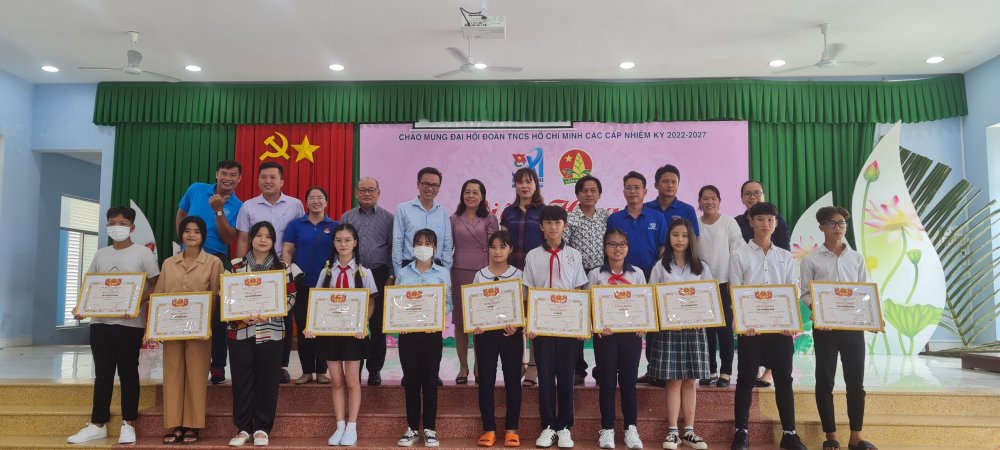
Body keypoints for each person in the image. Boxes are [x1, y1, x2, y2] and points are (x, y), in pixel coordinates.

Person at [67, 206, 160, 445]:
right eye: (112, 223)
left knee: (128, 372)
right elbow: (90, 285)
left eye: (121, 223)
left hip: (129, 324)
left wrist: (137, 301)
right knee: (103, 374)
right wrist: (81, 308)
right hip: (100, 323)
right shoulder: (101, 254)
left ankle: (129, 423)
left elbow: (156, 284)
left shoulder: (143, 253)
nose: (116, 227)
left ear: (132, 227)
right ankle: (98, 424)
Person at [729, 202, 806, 450]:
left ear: (776, 223)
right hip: (751, 330)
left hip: (780, 330)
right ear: (750, 221)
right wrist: (743, 321)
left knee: (784, 380)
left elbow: (791, 292)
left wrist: (790, 322)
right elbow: (735, 291)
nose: (765, 224)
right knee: (745, 380)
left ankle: (789, 433)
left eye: (770, 220)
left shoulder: (785, 257)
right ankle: (741, 432)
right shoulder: (739, 255)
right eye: (760, 219)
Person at [800, 206, 877, 450]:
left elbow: (864, 292)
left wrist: (872, 318)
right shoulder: (811, 259)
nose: (839, 227)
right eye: (833, 223)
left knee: (856, 383)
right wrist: (817, 310)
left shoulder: (857, 258)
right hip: (825, 329)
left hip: (853, 328)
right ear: (822, 227)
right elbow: (805, 293)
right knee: (825, 380)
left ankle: (856, 437)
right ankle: (831, 436)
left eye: (842, 223)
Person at [154, 216, 224, 444]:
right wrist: (156, 328)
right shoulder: (168, 263)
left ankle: (193, 425)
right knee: (172, 374)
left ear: (203, 236)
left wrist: (207, 325)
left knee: (196, 375)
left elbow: (217, 297)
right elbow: (160, 296)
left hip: (199, 331)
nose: (191, 235)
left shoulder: (213, 262)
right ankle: (174, 424)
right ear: (181, 235)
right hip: (171, 330)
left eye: (196, 231)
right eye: (187, 231)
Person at [523, 205, 588, 449]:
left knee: (566, 376)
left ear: (565, 226)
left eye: (558, 222)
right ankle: (548, 425)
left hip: (568, 327)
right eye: (548, 223)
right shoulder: (532, 256)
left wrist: (580, 324)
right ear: (541, 227)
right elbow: (529, 292)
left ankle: (565, 427)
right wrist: (530, 322)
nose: (553, 227)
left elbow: (579, 289)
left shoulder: (574, 255)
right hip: (541, 327)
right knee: (546, 375)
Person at [308, 223, 378, 447]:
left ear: (355, 242)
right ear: (334, 243)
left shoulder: (364, 272)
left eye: (347, 240)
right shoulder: (326, 271)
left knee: (352, 380)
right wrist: (312, 325)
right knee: (336, 380)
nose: (343, 244)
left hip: (354, 334)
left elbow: (371, 303)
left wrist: (362, 323)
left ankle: (352, 426)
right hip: (330, 333)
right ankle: (339, 425)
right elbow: (317, 301)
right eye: (338, 240)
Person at [236, 161, 305, 384]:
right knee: (253, 313)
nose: (268, 181)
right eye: (264, 177)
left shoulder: (295, 205)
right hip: (255, 267)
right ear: (258, 180)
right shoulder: (248, 206)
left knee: (284, 316)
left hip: (282, 268)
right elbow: (243, 238)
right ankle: (254, 359)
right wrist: (239, 270)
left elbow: (299, 235)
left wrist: (289, 269)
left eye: (273, 177)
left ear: (282, 181)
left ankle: (281, 365)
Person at [176, 159, 243, 385]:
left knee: (217, 316)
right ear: (217, 174)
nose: (228, 178)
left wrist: (219, 211)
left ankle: (217, 367)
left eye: (233, 175)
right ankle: (190, 362)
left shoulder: (238, 205)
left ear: (239, 179)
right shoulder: (196, 189)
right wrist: (184, 244)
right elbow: (181, 214)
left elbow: (228, 238)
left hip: (215, 260)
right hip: (188, 257)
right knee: (188, 309)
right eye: (224, 173)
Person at [226, 221, 291, 447]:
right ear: (251, 238)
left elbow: (291, 297)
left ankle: (262, 428)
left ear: (274, 241)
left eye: (268, 236)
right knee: (241, 381)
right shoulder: (235, 266)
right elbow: (226, 297)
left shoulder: (283, 268)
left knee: (268, 380)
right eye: (258, 235)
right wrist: (241, 316)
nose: (263, 240)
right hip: (239, 332)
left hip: (271, 332)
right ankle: (243, 428)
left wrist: (270, 314)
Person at [649, 218, 712, 450]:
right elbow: (652, 297)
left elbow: (709, 299)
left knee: (690, 380)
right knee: (673, 381)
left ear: (691, 239)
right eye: (675, 235)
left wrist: (701, 318)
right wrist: (666, 319)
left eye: (685, 235)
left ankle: (689, 431)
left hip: (695, 330)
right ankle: (673, 431)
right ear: (669, 237)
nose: (680, 239)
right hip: (670, 331)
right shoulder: (660, 267)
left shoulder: (701, 267)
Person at [606, 171, 667, 386]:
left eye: (637, 187)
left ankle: (653, 369)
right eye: (629, 188)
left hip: (649, 276)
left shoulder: (657, 217)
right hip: (621, 276)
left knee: (649, 324)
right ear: (623, 191)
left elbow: (663, 248)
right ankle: (611, 369)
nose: (633, 191)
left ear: (645, 191)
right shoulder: (614, 218)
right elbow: (611, 246)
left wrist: (656, 272)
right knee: (619, 322)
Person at [395, 229, 452, 448]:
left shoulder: (442, 273)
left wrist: (435, 317)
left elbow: (448, 303)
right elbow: (396, 302)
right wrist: (401, 321)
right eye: (419, 243)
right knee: (410, 382)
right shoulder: (403, 273)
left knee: (429, 382)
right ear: (412, 246)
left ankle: (430, 429)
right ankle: (412, 429)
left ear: (435, 248)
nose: (423, 247)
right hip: (408, 335)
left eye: (428, 243)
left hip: (431, 335)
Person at [589, 229, 645, 450]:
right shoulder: (596, 274)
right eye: (612, 244)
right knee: (607, 384)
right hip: (606, 337)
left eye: (622, 244)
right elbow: (589, 304)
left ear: (628, 248)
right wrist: (597, 325)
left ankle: (631, 428)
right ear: (605, 248)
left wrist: (643, 323)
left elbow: (644, 303)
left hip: (631, 337)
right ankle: (607, 429)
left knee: (629, 384)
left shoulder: (637, 274)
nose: (617, 248)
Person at [733, 180, 791, 388]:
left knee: (783, 371)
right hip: (749, 299)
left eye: (757, 193)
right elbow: (736, 285)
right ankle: (755, 370)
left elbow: (784, 249)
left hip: (775, 296)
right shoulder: (736, 223)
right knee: (747, 372)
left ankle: (768, 372)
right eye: (748, 193)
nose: (752, 197)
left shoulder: (778, 222)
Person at [471, 230, 524, 448]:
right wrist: (475, 323)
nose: (497, 251)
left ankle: (511, 429)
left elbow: (524, 305)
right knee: (486, 381)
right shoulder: (480, 275)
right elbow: (474, 305)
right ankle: (489, 429)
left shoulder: (518, 274)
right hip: (486, 335)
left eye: (502, 247)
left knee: (513, 381)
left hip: (511, 334)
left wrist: (517, 325)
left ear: (510, 249)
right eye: (493, 247)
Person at [340, 177, 395, 386]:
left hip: (380, 274)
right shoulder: (347, 217)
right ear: (356, 193)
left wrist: (391, 275)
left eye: (371, 190)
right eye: (362, 190)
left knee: (378, 325)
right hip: (354, 274)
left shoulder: (388, 218)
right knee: (355, 322)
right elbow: (340, 246)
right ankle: (355, 369)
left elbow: (392, 248)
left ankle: (374, 370)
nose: (367, 194)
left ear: (378, 193)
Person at [281, 187, 337, 385]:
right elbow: (287, 251)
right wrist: (286, 277)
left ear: (326, 202)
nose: (316, 201)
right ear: (306, 202)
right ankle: (306, 371)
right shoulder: (295, 225)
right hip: (301, 283)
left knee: (323, 327)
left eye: (320, 198)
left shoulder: (334, 226)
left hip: (326, 285)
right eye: (311, 198)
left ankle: (321, 370)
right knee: (304, 326)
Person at [450, 179, 499, 385]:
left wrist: (491, 275)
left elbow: (495, 248)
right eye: (467, 192)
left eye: (475, 192)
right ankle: (463, 366)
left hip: (483, 273)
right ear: (462, 195)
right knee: (460, 323)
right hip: (459, 272)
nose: (471, 196)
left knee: (481, 322)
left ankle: (480, 366)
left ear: (482, 196)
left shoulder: (490, 218)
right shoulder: (453, 219)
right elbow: (448, 246)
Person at [500, 167, 545, 386]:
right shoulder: (508, 213)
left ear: (536, 185)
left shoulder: (544, 211)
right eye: (520, 182)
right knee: (515, 318)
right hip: (512, 271)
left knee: (534, 319)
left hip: (536, 272)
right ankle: (519, 362)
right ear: (515, 186)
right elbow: (502, 243)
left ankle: (533, 367)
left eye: (529, 181)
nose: (524, 186)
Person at [696, 185, 744, 388]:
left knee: (724, 331)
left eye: (713, 198)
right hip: (703, 285)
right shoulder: (695, 224)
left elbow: (737, 254)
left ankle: (726, 372)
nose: (709, 202)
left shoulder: (729, 223)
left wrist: (734, 281)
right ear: (699, 202)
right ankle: (710, 371)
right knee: (706, 331)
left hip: (725, 283)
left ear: (719, 201)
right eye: (705, 198)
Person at [564, 175, 608, 385]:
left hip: (602, 276)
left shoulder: (606, 217)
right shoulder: (570, 218)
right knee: (578, 323)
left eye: (593, 190)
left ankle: (602, 368)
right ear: (577, 194)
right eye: (584, 190)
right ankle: (578, 369)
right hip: (578, 276)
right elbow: (564, 247)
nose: (589, 194)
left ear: (599, 194)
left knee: (601, 323)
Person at [392, 167, 454, 275]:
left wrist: (446, 272)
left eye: (434, 185)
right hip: (409, 267)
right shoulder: (403, 209)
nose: (430, 188)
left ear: (439, 188)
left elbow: (447, 245)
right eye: (426, 184)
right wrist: (398, 273)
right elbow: (397, 242)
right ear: (418, 184)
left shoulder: (443, 212)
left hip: (436, 269)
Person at [644, 164, 700, 235]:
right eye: (665, 181)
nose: (670, 185)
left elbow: (693, 238)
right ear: (656, 185)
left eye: (674, 182)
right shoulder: (645, 208)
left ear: (678, 185)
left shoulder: (688, 210)